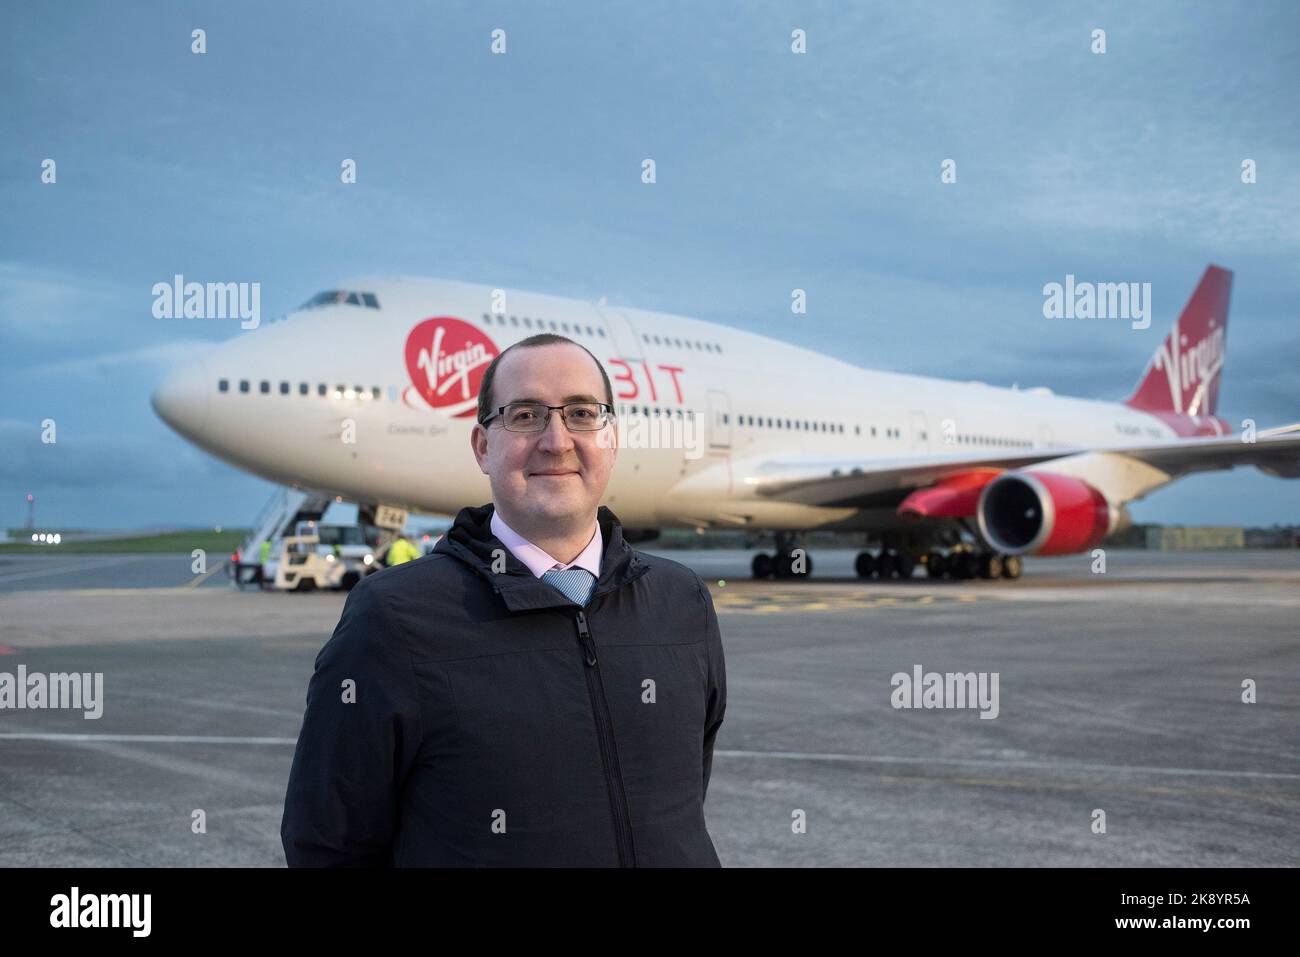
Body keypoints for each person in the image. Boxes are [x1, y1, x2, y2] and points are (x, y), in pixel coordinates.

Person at [281, 334, 727, 866]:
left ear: (610, 439)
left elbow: (681, 798)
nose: (557, 441)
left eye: (582, 414)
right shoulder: (393, 617)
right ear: (482, 447)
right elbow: (329, 844)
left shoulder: (683, 600)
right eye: (525, 416)